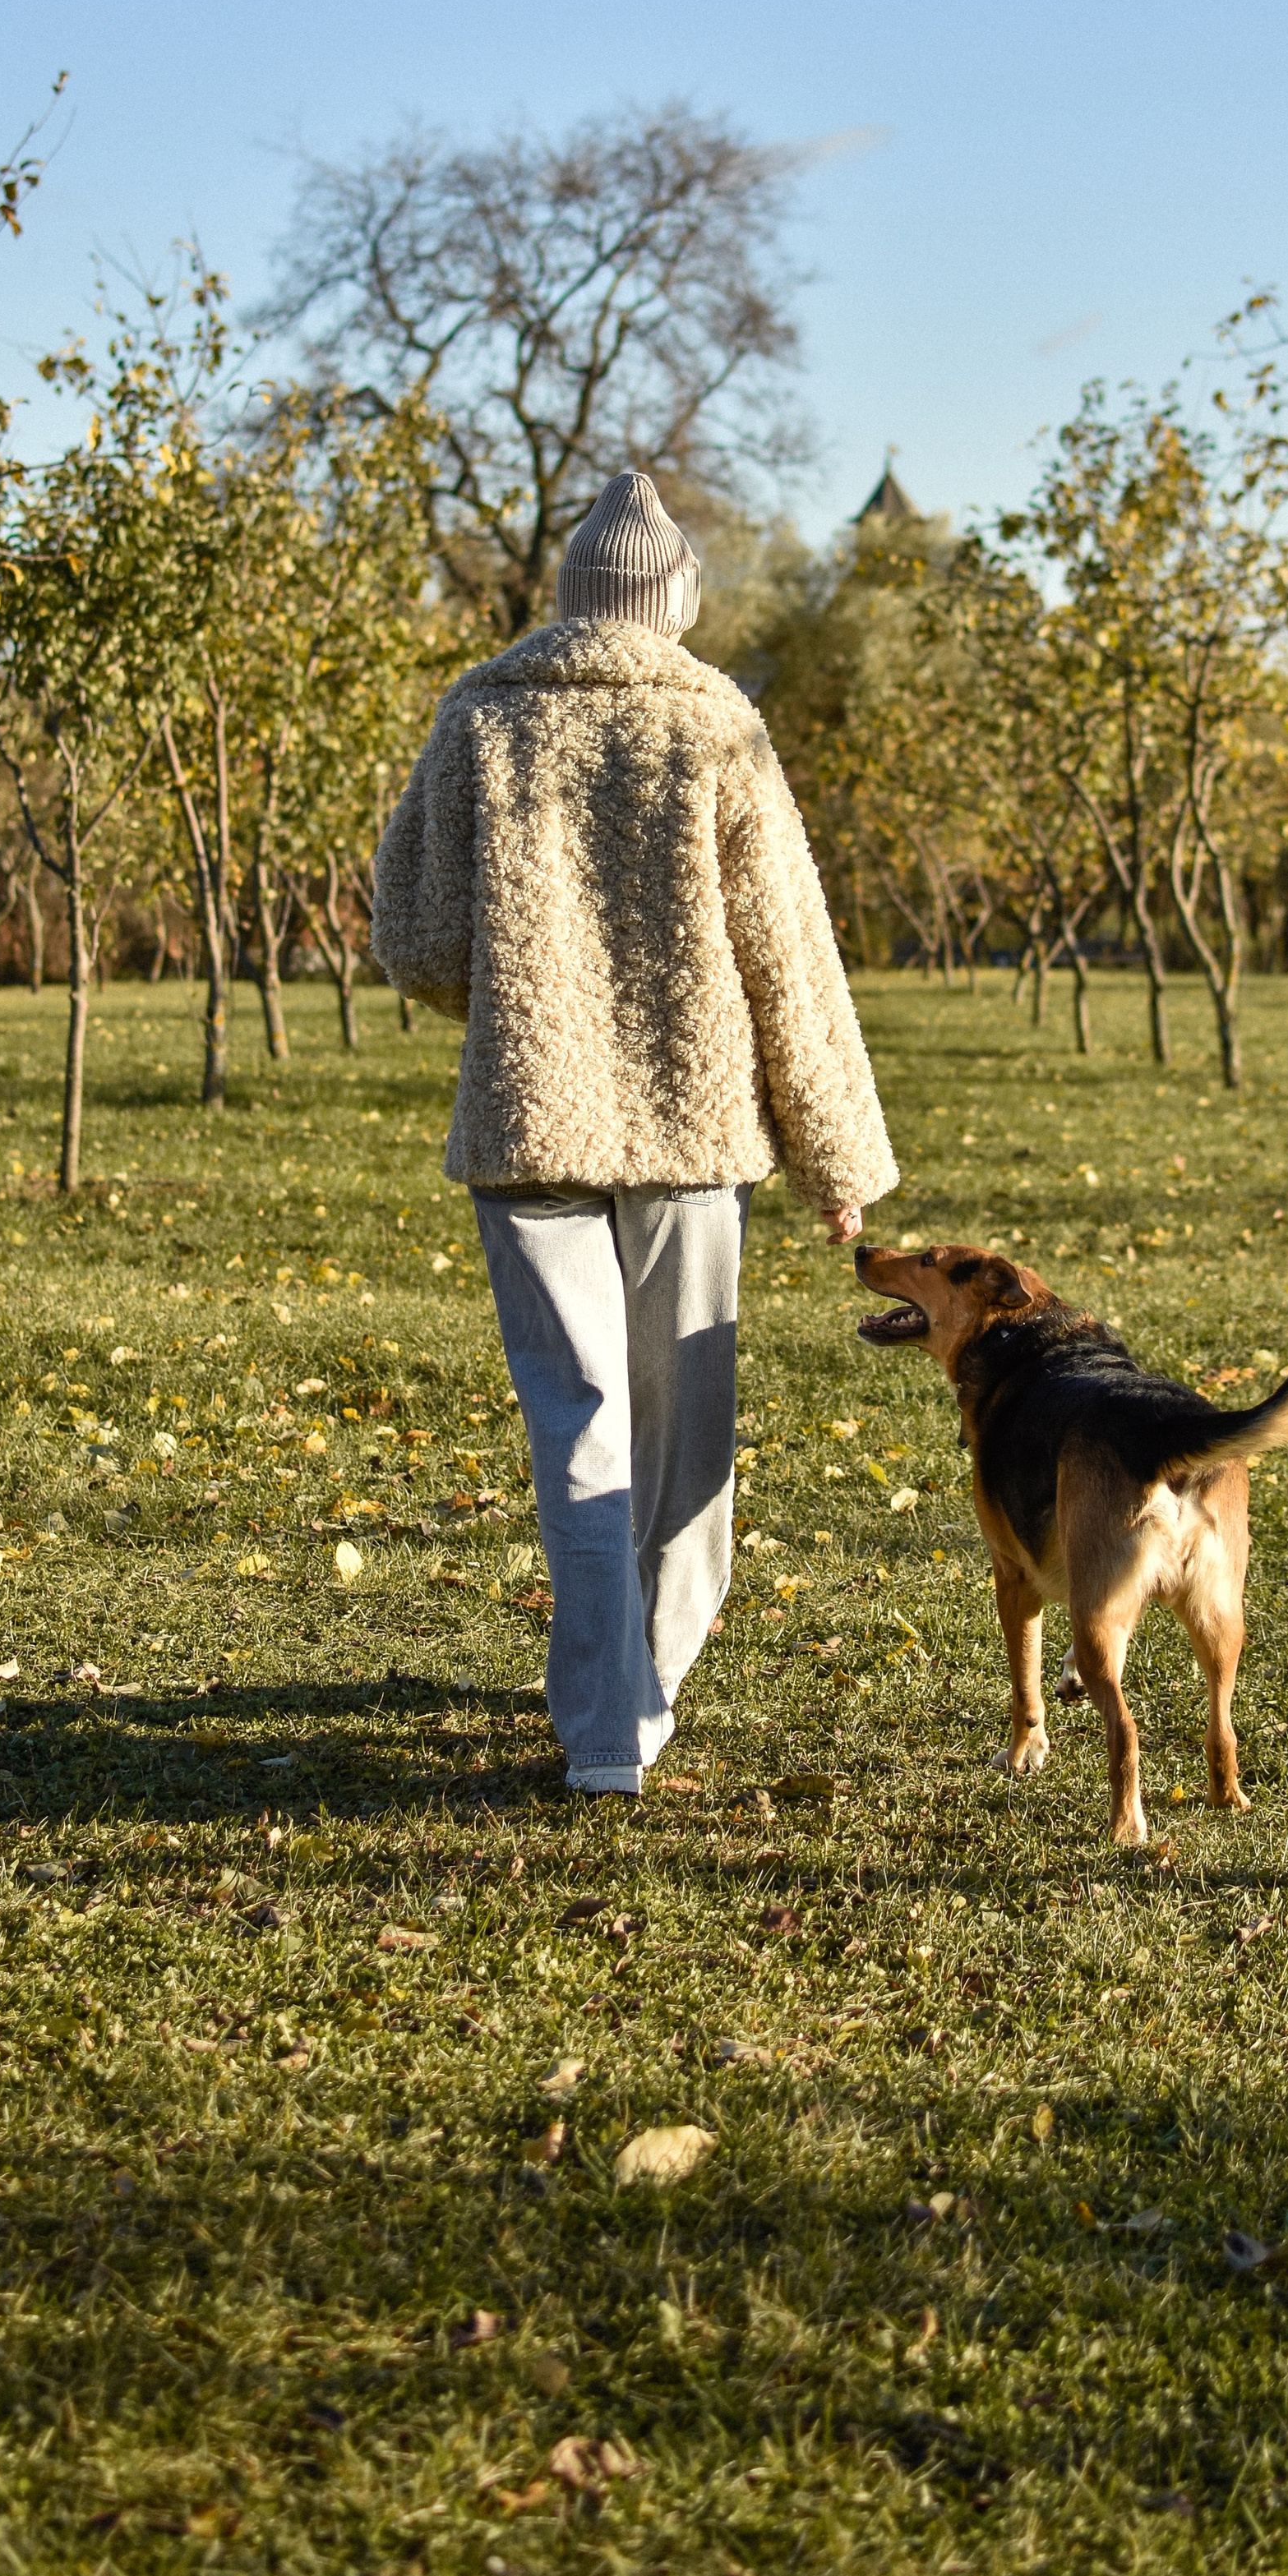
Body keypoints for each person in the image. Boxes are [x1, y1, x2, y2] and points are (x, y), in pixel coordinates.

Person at [371, 469, 897, 1795]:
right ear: (675, 605)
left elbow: (415, 937)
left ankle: (605, 1730)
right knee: (683, 1440)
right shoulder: (717, 725)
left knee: (582, 1431)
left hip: (529, 1123)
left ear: (571, 598)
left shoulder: (481, 717)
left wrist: (513, 997)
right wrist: (838, 1157)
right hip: (691, 1129)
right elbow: (789, 959)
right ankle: (643, 1690)